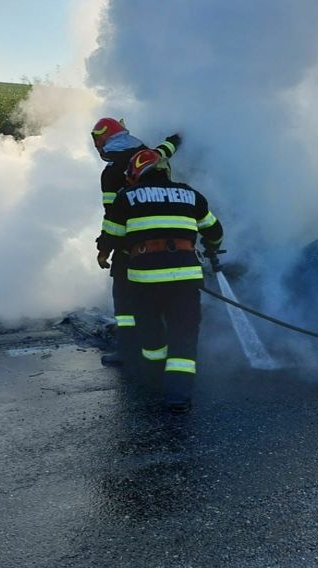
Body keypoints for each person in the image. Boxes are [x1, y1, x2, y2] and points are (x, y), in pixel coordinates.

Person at [96, 148, 224, 412]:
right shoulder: (191, 195)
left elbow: (113, 236)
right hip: (186, 280)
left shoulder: (126, 197)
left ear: (135, 174)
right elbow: (215, 231)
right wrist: (211, 247)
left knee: (151, 336)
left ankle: (154, 382)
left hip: (144, 282)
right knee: (184, 336)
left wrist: (103, 251)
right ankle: (178, 397)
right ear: (164, 170)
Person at [91, 118, 181, 367]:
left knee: (124, 300)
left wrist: (103, 249)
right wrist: (179, 136)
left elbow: (112, 217)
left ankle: (128, 350)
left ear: (103, 140)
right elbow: (167, 148)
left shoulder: (111, 173)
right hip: (170, 238)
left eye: (97, 140)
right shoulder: (150, 154)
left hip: (131, 246)